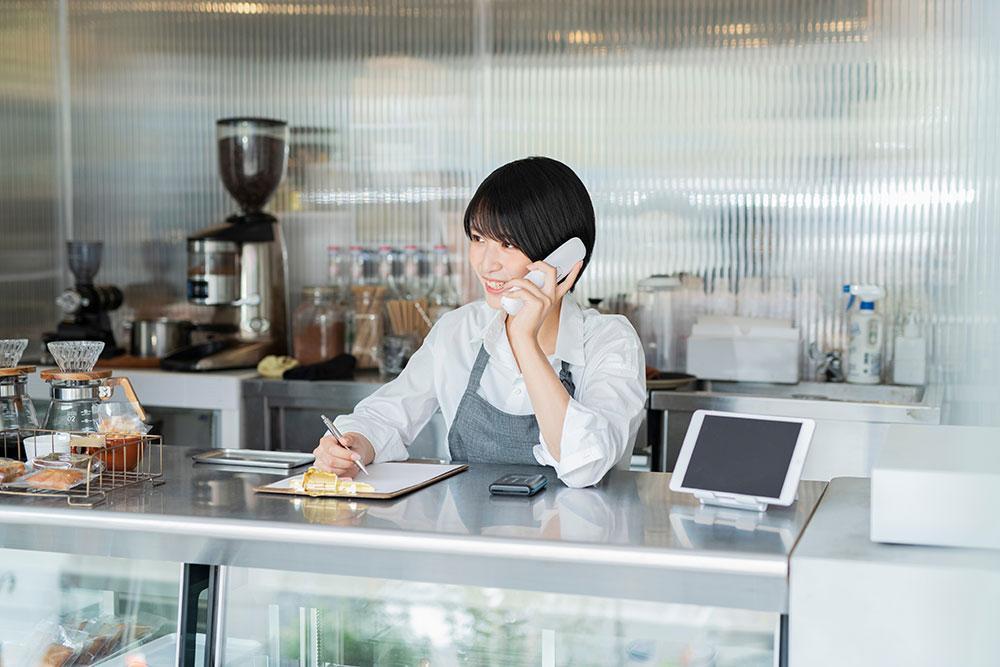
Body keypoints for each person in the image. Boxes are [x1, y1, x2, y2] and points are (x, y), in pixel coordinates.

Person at [313, 156, 646, 488]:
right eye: (478, 238)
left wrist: (524, 341)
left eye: (508, 243)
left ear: (562, 258)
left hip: (577, 537)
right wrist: (354, 443)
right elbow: (387, 416)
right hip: (473, 538)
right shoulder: (458, 329)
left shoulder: (611, 341)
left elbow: (585, 464)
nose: (487, 264)